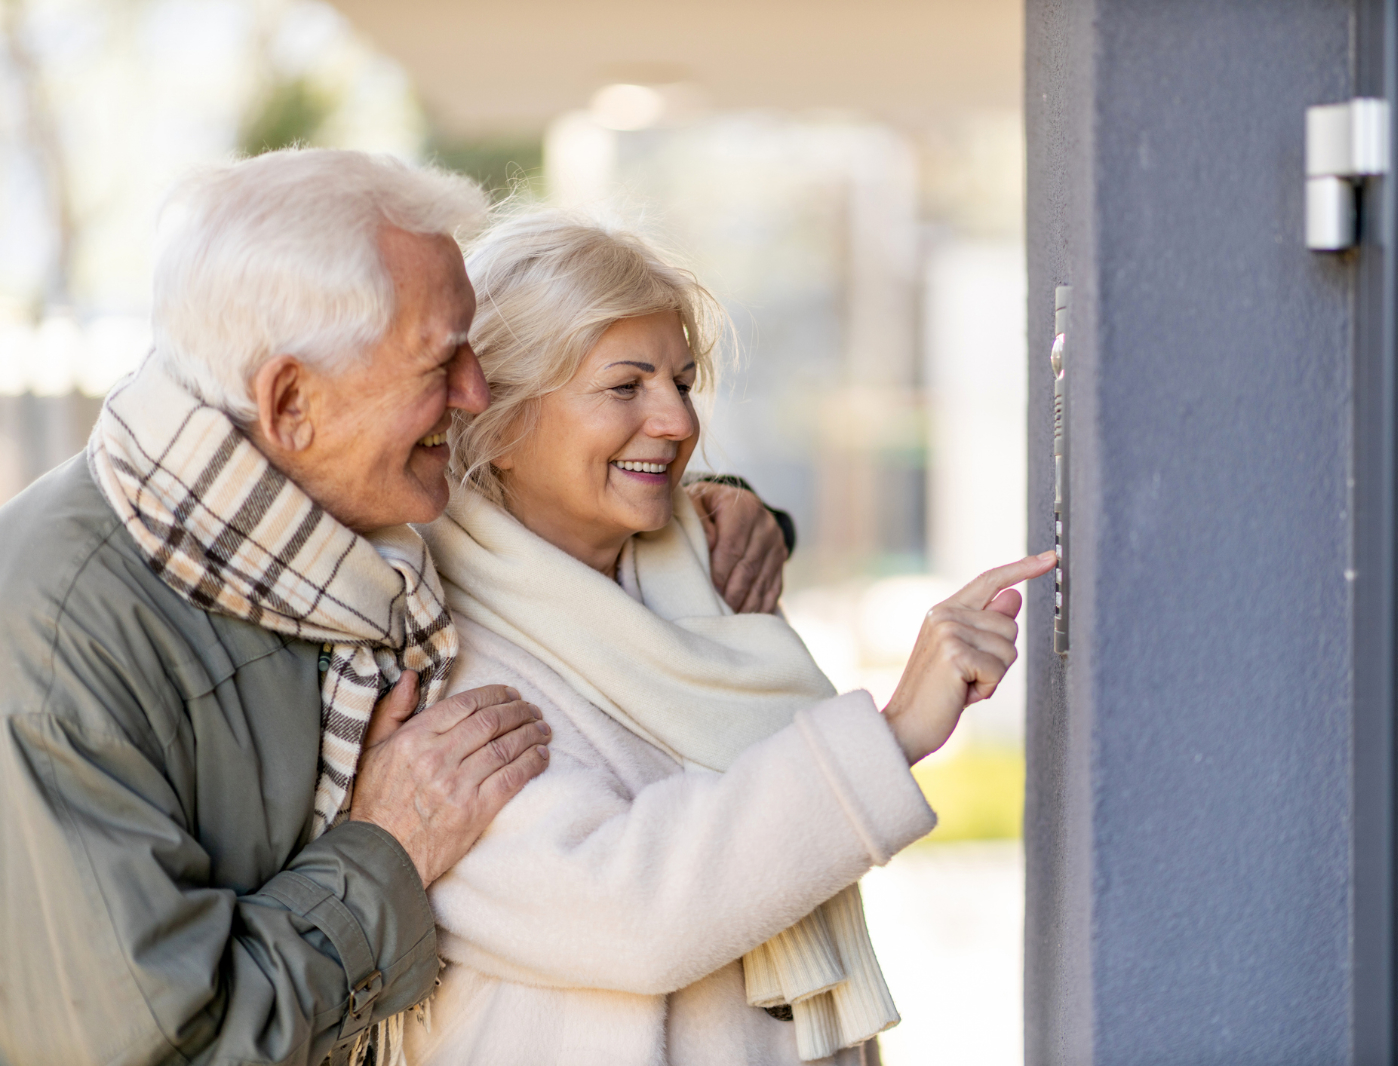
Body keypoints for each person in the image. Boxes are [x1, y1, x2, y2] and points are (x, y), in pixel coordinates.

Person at [0, 150, 793, 1066]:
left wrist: (737, 515)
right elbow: (156, 1047)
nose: (476, 392)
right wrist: (384, 852)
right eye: (441, 361)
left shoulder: (328, 542)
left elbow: (545, 503)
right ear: (291, 400)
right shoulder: (57, 649)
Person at [403, 212, 1054, 1066]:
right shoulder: (435, 652)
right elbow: (626, 912)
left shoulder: (705, 582)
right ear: (503, 418)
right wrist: (890, 734)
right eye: (626, 387)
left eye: (683, 379)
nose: (676, 421)